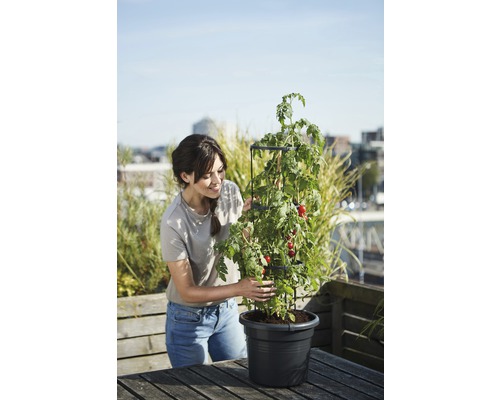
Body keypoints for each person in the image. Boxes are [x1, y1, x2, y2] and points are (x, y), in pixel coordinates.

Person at [160, 134, 276, 368]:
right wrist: (240, 289)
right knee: (193, 390)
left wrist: (247, 221)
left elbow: (242, 243)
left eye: (220, 170)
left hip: (227, 312)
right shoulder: (174, 222)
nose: (217, 181)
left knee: (242, 377)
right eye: (206, 175)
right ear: (186, 176)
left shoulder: (230, 192)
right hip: (188, 320)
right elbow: (188, 292)